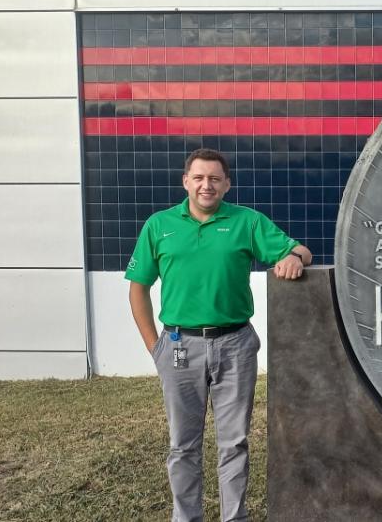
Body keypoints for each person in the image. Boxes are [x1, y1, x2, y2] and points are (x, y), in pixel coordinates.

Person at [126, 148, 311, 521]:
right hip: (179, 346)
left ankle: (234, 517)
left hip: (235, 345)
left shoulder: (247, 222)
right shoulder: (159, 226)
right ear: (186, 182)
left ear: (227, 184)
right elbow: (137, 288)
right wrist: (155, 347)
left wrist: (293, 257)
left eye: (214, 178)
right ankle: (186, 517)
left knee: (235, 443)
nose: (206, 185)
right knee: (183, 445)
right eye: (198, 177)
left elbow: (299, 250)